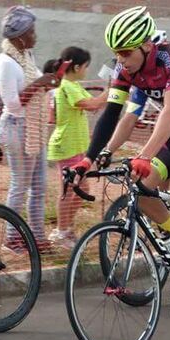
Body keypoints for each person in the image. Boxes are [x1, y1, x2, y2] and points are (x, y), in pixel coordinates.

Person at [73, 6, 170, 320]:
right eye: (115, 53)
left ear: (146, 46)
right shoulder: (126, 71)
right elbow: (114, 116)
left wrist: (145, 155)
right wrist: (91, 157)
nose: (120, 59)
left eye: (125, 52)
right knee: (140, 189)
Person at [0, 5, 56, 252]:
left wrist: (51, 81)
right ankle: (11, 238)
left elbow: (36, 84)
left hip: (33, 128)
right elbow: (12, 103)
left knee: (39, 186)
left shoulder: (26, 57)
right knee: (20, 185)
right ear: (19, 36)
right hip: (17, 128)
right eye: (32, 31)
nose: (35, 36)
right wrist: (41, 82)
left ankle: (37, 237)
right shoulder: (6, 62)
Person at [46, 46, 106, 248]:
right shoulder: (68, 86)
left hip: (75, 147)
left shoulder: (73, 85)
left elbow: (93, 102)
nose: (87, 70)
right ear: (78, 66)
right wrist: (114, 89)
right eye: (86, 66)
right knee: (70, 190)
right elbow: (93, 105)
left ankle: (65, 228)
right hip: (67, 147)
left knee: (80, 189)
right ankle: (61, 231)